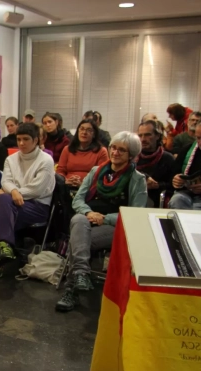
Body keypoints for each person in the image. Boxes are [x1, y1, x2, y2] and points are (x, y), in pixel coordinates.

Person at [56, 132, 147, 312]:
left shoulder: (137, 179)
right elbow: (77, 200)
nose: (115, 152)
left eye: (122, 150)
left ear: (131, 155)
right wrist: (90, 213)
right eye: (113, 147)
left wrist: (105, 218)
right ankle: (82, 273)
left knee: (79, 240)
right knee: (78, 220)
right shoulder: (96, 171)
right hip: (88, 220)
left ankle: (71, 290)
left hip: (116, 226)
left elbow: (136, 213)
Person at [0, 123, 55, 279]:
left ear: (35, 140)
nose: (21, 143)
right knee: (3, 205)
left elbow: (37, 190)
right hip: (12, 204)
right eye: (19, 139)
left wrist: (14, 192)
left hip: (38, 206)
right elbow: (6, 182)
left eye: (26, 139)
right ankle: (4, 246)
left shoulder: (46, 160)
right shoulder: (11, 159)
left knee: (2, 206)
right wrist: (13, 191)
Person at [56, 119, 108, 190]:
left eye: (89, 130)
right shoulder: (67, 149)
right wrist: (66, 181)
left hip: (90, 189)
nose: (84, 132)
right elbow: (60, 171)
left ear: (94, 134)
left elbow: (101, 175)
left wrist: (83, 184)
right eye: (82, 129)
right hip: (67, 186)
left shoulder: (101, 151)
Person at [136, 120, 176, 207]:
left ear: (157, 135)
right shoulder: (133, 155)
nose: (143, 139)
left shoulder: (167, 158)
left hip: (154, 198)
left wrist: (158, 185)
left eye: (147, 135)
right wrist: (145, 177)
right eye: (140, 135)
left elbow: (174, 185)